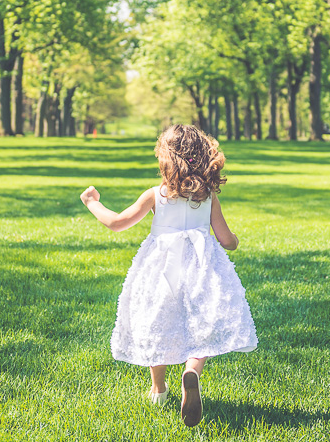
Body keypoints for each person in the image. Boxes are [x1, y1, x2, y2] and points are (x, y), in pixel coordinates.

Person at [79, 124, 257, 427]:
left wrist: (92, 202)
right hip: (201, 266)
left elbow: (117, 222)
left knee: (158, 320)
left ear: (165, 160)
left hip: (163, 267)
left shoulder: (155, 195)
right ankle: (192, 371)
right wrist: (235, 240)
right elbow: (227, 240)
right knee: (201, 321)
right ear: (204, 157)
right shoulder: (209, 196)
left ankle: (159, 389)